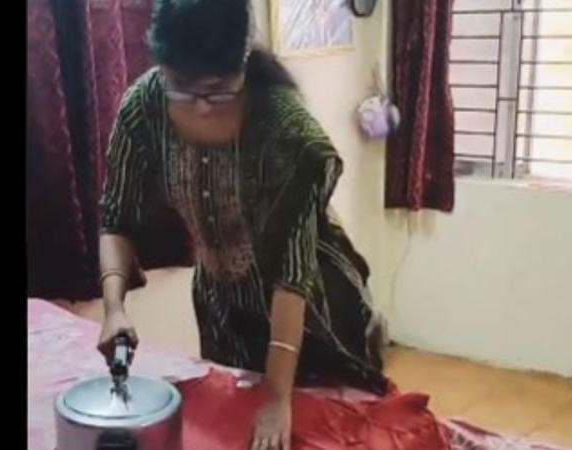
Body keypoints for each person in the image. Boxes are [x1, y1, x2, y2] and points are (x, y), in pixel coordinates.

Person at [97, 1, 387, 448]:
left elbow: (294, 276)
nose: (200, 107)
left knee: (322, 428)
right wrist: (114, 308)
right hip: (221, 302)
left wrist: (277, 396)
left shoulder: (285, 129)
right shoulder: (145, 106)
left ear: (242, 66)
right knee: (230, 425)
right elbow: (115, 216)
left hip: (310, 306)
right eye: (182, 88)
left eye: (216, 91)